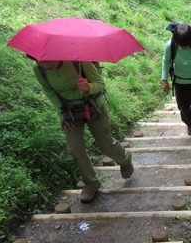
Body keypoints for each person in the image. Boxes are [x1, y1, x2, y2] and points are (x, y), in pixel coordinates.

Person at [33, 59, 134, 203]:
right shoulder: (39, 69)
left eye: (48, 61)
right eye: (41, 62)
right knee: (75, 149)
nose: (46, 65)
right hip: (69, 112)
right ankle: (90, 183)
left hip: (94, 107)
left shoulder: (79, 61)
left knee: (105, 143)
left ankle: (124, 159)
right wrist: (61, 113)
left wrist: (88, 87)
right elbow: (49, 92)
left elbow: (100, 84)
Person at [161, 23, 191, 146]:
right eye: (181, 44)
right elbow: (166, 61)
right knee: (183, 109)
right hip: (179, 82)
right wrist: (164, 79)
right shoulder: (170, 45)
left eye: (185, 44)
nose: (183, 47)